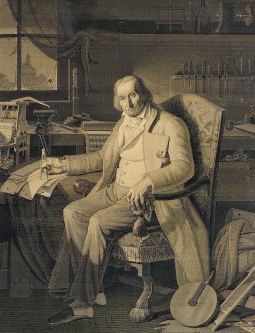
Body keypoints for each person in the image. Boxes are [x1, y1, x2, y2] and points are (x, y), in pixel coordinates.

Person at [44, 75, 210, 325]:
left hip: (148, 200)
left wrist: (149, 180)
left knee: (98, 221)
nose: (128, 103)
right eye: (122, 97)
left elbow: (185, 168)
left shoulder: (170, 124)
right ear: (117, 100)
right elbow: (102, 157)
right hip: (115, 190)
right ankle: (94, 287)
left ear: (144, 94)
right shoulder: (124, 123)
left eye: (133, 95)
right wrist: (65, 164)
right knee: (73, 212)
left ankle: (82, 303)